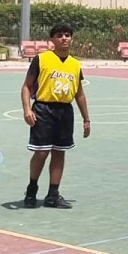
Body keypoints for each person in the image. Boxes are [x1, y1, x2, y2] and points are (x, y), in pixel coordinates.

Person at [21, 23, 91, 208]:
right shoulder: (41, 59)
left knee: (59, 152)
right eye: (59, 35)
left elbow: (79, 93)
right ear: (52, 40)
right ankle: (32, 189)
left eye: (67, 35)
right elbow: (27, 87)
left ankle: (53, 194)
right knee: (42, 152)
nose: (64, 38)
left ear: (72, 38)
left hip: (65, 111)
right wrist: (27, 109)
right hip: (43, 109)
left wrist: (86, 119)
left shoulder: (75, 64)